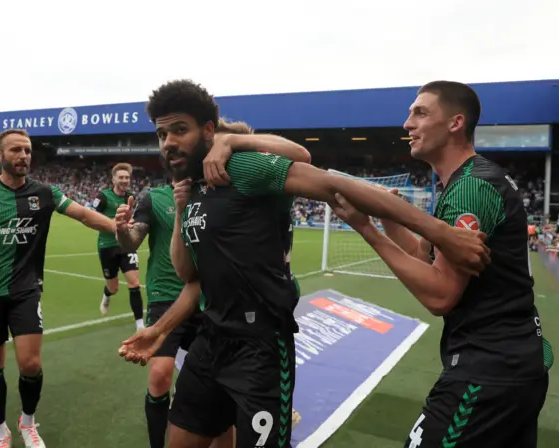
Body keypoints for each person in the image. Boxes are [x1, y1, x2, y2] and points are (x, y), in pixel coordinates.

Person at [118, 79, 490, 448]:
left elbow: (333, 185)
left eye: (179, 130)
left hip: (259, 348)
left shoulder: (243, 167)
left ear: (209, 131)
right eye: (161, 134)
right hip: (210, 342)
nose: (168, 143)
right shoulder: (192, 188)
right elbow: (190, 276)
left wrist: (441, 233)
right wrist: (160, 330)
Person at [330, 80, 553, 448]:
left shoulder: (471, 188)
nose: (407, 124)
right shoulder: (466, 182)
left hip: (488, 371)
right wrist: (386, 220)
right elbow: (424, 256)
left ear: (455, 123)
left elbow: (441, 296)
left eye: (420, 112)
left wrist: (366, 228)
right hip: (514, 364)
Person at [116, 117, 309, 448]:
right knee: (181, 401)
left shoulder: (251, 186)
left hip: (253, 328)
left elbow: (301, 157)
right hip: (197, 317)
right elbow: (189, 276)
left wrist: (235, 143)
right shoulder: (190, 196)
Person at [0, 129, 117, 448]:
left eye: (27, 150)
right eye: (16, 150)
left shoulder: (45, 192)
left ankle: (27, 422)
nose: (24, 156)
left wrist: (117, 226)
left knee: (31, 364)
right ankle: (0, 431)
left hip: (26, 289)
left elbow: (83, 215)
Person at [94, 162, 144, 328]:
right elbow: (93, 219)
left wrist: (131, 223)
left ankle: (140, 325)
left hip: (126, 245)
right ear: (113, 179)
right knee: (113, 288)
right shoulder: (103, 197)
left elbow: (132, 218)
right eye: (121, 177)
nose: (124, 180)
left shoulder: (130, 197)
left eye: (127, 177)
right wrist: (114, 223)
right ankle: (107, 295)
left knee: (134, 283)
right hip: (107, 245)